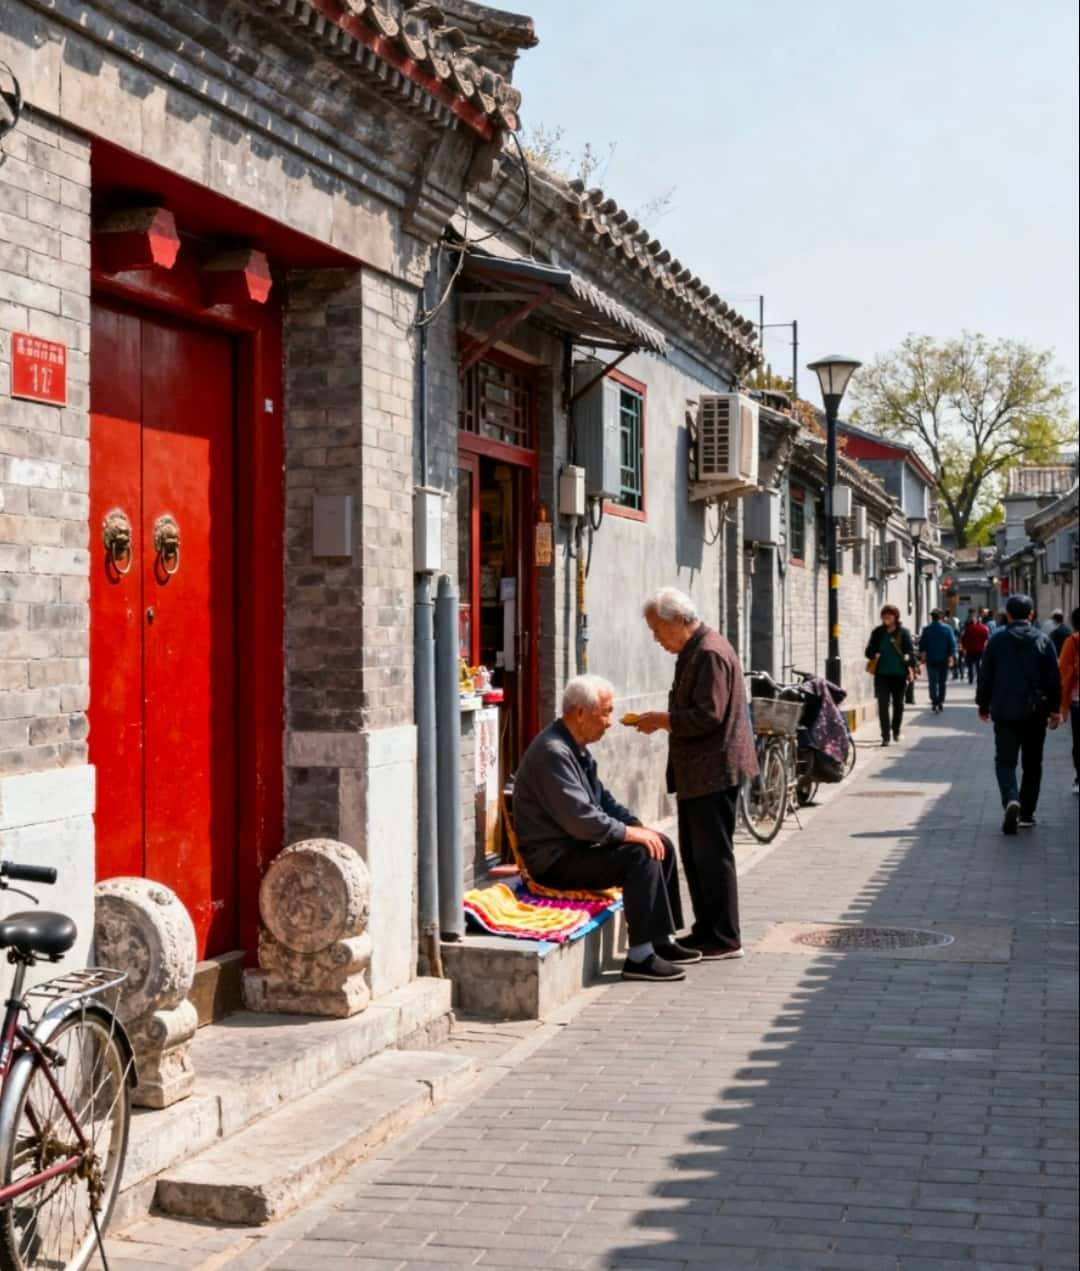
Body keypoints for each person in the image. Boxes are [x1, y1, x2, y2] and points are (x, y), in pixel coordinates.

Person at [512, 674, 700, 983]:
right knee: (639, 856)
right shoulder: (553, 752)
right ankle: (640, 957)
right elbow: (582, 820)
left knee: (659, 843)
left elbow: (604, 801)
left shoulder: (576, 747)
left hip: (577, 848)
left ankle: (661, 940)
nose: (610, 722)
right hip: (554, 861)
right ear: (580, 712)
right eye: (605, 712)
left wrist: (638, 827)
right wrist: (629, 834)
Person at [631, 587, 757, 961]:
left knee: (713, 856)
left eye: (659, 630)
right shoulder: (694, 650)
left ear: (680, 621)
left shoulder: (709, 653)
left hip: (713, 770)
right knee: (697, 855)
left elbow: (708, 715)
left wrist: (663, 720)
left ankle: (725, 937)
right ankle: (707, 929)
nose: (657, 639)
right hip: (699, 772)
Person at [976, 594, 1062, 834]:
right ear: (1031, 614)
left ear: (1008, 615)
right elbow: (1053, 677)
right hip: (1035, 712)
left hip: (1004, 710)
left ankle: (1011, 798)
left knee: (1005, 761)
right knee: (1033, 763)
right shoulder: (1043, 639)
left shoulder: (997, 640)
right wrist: (1054, 709)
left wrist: (982, 704)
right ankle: (1026, 813)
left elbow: (985, 675)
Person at [865, 604, 915, 745]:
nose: (886, 617)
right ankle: (885, 736)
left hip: (899, 675)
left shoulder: (903, 632)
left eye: (890, 615)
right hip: (882, 675)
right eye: (884, 615)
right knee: (883, 705)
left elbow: (910, 652)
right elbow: (868, 651)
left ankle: (896, 730)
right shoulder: (878, 632)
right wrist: (873, 653)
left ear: (895, 617)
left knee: (898, 705)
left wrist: (909, 663)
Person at [1058, 607, 1080, 796]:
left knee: (1078, 740)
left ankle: (1079, 777)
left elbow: (1063, 670)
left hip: (1077, 699)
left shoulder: (1072, 641)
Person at [919, 609, 958, 713]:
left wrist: (923, 656)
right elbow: (952, 644)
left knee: (932, 681)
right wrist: (951, 656)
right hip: (943, 659)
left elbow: (922, 645)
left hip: (931, 659)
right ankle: (940, 700)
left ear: (932, 617)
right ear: (941, 617)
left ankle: (934, 700)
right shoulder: (947, 629)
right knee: (942, 682)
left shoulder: (927, 629)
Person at [961, 610, 991, 684]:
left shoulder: (968, 629)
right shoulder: (983, 628)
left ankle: (970, 679)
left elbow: (963, 639)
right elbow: (987, 638)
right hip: (980, 649)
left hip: (970, 650)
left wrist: (964, 647)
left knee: (970, 665)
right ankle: (979, 679)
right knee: (978, 665)